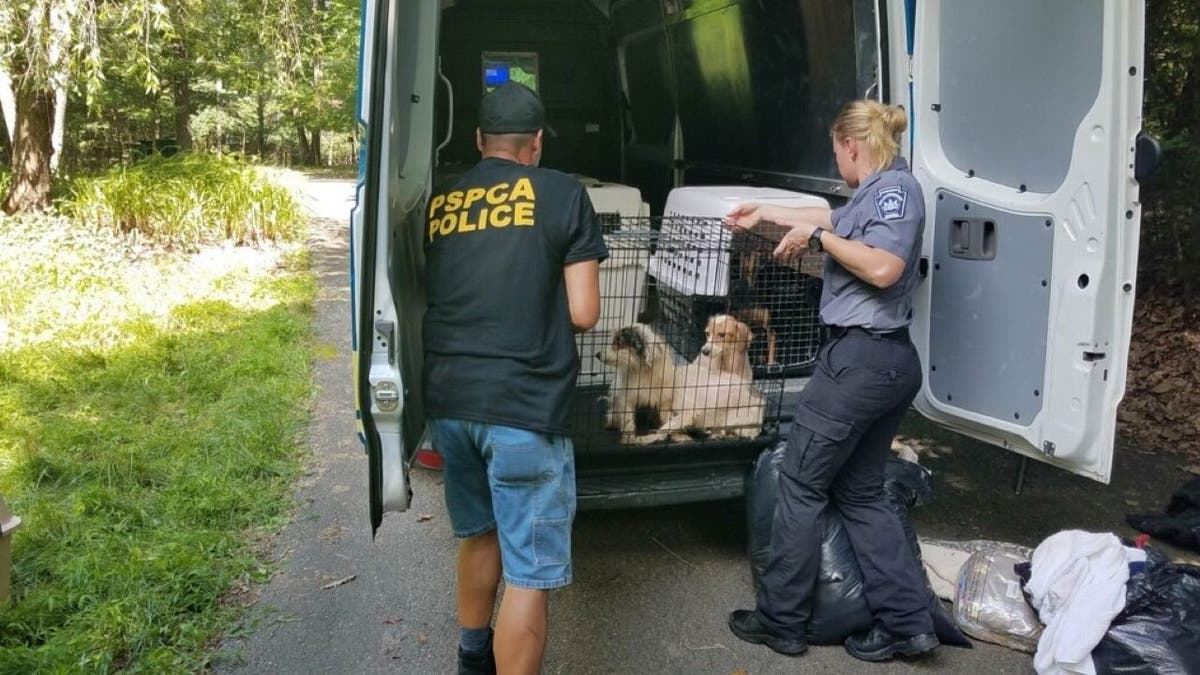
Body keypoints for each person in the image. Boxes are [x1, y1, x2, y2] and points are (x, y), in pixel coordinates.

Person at [725, 100, 938, 662]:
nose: (835, 159)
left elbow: (884, 266)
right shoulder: (872, 193)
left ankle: (782, 621)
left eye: (834, 150)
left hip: (861, 363)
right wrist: (766, 214)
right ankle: (910, 624)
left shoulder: (895, 190)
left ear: (851, 144)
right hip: (885, 361)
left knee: (799, 483)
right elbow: (830, 219)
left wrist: (817, 243)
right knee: (861, 492)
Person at [422, 81, 607, 675]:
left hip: (450, 398)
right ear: (537, 145)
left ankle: (472, 659)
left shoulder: (443, 199)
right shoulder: (561, 194)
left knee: (479, 534)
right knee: (529, 570)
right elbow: (584, 312)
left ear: (479, 140)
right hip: (523, 405)